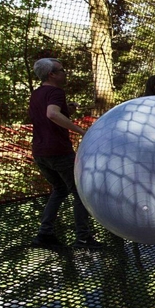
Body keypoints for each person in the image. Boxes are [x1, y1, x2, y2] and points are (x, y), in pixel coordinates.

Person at [29, 58, 102, 249]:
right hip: (59, 152)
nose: (65, 73)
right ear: (51, 74)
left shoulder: (36, 93)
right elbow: (52, 114)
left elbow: (48, 114)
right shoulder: (56, 91)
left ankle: (44, 234)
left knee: (60, 190)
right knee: (80, 193)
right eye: (62, 70)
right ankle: (83, 238)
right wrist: (81, 131)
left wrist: (67, 110)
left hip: (39, 152)